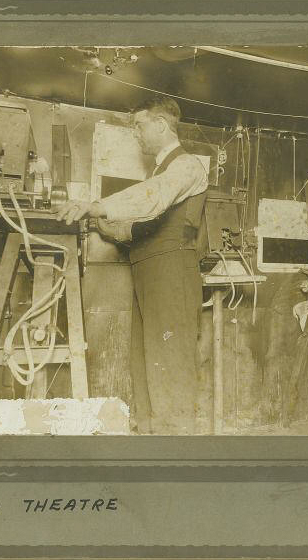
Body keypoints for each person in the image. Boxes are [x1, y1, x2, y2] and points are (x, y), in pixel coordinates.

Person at [54, 96, 208, 435]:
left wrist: (94, 207)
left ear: (162, 125)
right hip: (149, 274)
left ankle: (175, 443)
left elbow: (152, 198)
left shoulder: (187, 166)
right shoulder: (163, 172)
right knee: (145, 359)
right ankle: (152, 434)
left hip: (171, 275)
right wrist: (96, 222)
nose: (135, 133)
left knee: (170, 362)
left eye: (139, 125)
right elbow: (138, 227)